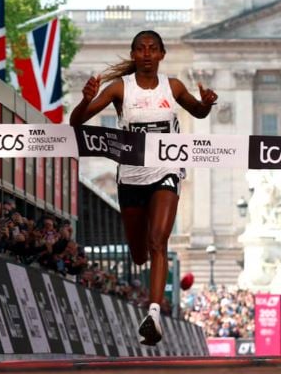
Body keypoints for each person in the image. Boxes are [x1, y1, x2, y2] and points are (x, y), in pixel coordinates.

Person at [69, 30, 217, 345]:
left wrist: (206, 103)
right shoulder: (119, 88)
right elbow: (76, 122)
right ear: (133, 54)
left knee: (158, 242)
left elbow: (198, 112)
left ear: (162, 54)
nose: (147, 53)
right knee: (139, 254)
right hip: (131, 175)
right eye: (141, 48)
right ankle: (145, 247)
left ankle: (153, 313)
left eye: (152, 48)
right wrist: (85, 99)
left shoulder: (173, 86)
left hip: (166, 170)